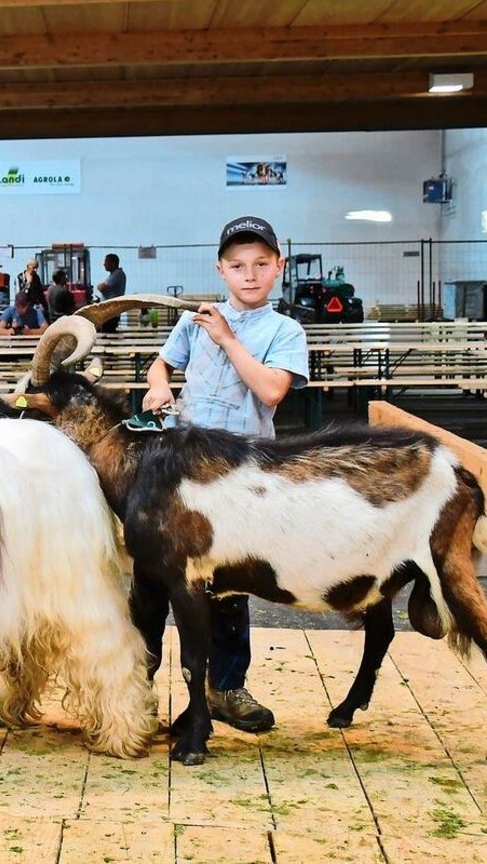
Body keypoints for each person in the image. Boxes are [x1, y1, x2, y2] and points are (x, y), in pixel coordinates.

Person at [142, 215, 308, 735]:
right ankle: (136, 688)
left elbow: (272, 391)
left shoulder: (284, 330)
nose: (249, 274)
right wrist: (159, 386)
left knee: (229, 584)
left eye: (261, 264)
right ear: (221, 269)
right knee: (153, 580)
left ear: (278, 268)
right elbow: (160, 364)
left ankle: (225, 688)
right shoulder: (195, 321)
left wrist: (228, 337)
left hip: (242, 476)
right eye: (237, 266)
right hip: (184, 469)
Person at [97, 253, 127, 332]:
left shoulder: (118, 274)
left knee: (108, 334)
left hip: (111, 313)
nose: (104, 264)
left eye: (106, 261)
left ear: (113, 263)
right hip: (108, 313)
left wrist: (100, 286)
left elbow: (102, 287)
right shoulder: (112, 275)